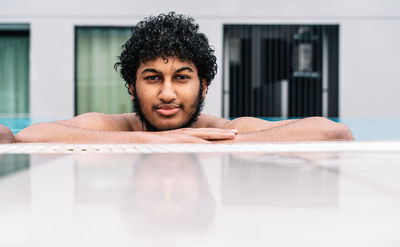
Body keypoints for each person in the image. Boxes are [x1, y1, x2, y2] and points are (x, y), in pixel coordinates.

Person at [15, 12, 353, 144]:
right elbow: (28, 136)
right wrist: (153, 142)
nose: (166, 93)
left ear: (203, 85)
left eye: (181, 77)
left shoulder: (221, 132)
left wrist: (218, 147)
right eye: (152, 78)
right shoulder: (118, 128)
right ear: (132, 87)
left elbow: (334, 132)